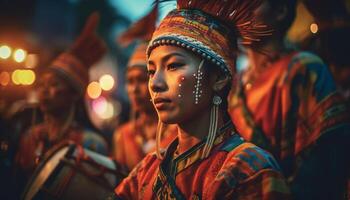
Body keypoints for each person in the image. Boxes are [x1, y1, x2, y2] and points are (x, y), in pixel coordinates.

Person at [113, 0, 290, 199]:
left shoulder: (249, 170)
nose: (155, 84)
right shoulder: (146, 170)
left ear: (219, 78)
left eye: (173, 65)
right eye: (151, 71)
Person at [228, 0, 350, 199]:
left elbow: (326, 156)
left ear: (281, 11)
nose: (240, 9)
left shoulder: (304, 69)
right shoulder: (233, 84)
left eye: (252, 3)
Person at [15, 13, 108, 178]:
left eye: (53, 85)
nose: (43, 91)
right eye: (42, 84)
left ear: (74, 94)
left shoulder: (92, 144)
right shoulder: (30, 136)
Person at [113, 5, 177, 171]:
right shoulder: (123, 135)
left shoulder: (180, 132)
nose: (134, 89)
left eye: (141, 80)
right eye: (130, 81)